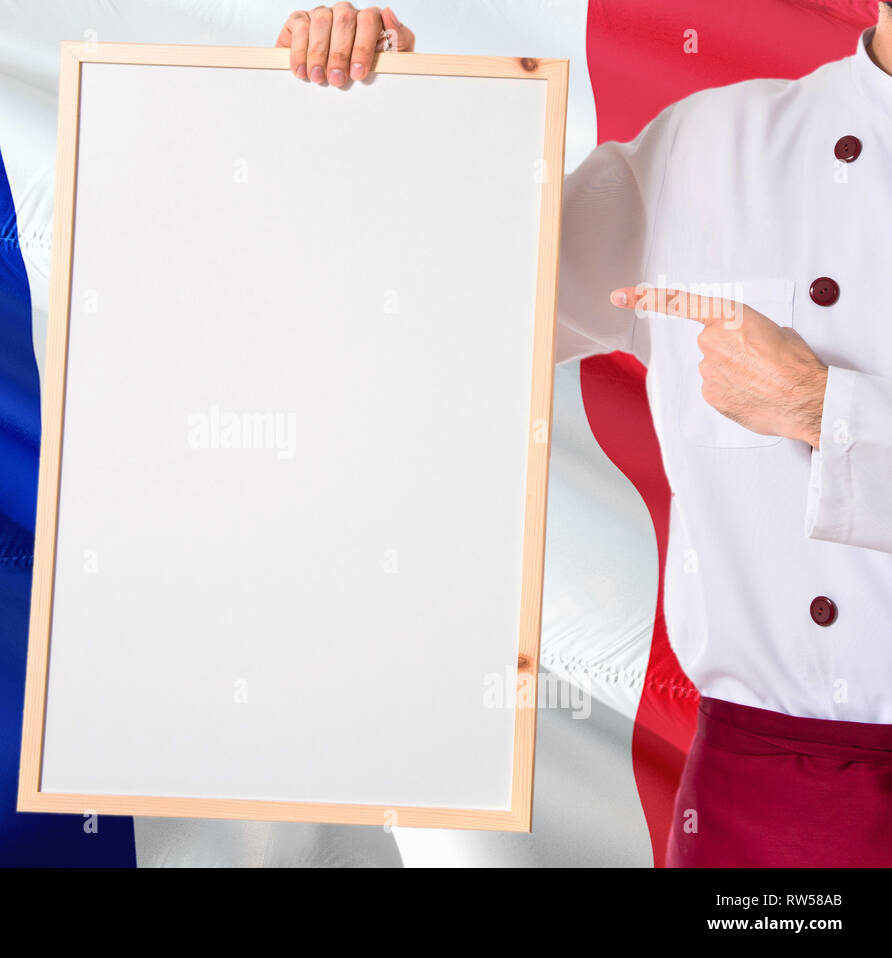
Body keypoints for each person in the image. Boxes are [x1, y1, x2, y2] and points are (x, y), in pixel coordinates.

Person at [276, 4, 892, 866]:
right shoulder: (706, 148)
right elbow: (464, 313)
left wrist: (822, 411)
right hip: (755, 804)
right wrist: (391, 110)